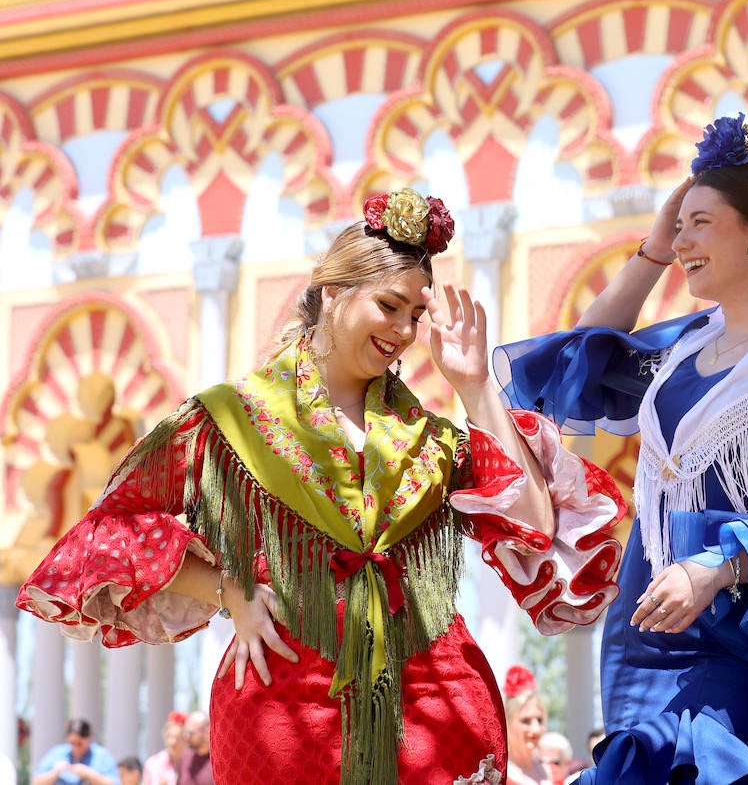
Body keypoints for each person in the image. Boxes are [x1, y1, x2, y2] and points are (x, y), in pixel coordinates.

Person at [16, 189, 625, 785]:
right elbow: (107, 528)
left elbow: (535, 525)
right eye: (389, 306)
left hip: (437, 711)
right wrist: (228, 589)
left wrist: (473, 386)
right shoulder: (228, 422)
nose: (404, 331)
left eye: (415, 316)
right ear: (333, 292)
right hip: (280, 714)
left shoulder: (433, 440)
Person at [496, 113, 748, 783]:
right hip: (645, 618)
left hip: (737, 624)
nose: (683, 242)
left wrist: (717, 566)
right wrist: (652, 249)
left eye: (700, 223)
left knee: (699, 767)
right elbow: (575, 362)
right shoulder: (686, 346)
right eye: (679, 226)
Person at [504, 667, 559, 785]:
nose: (536, 729)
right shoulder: (498, 776)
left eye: (540, 720)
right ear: (508, 722)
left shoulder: (554, 773)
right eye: (526, 721)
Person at [32, 719, 120, 785]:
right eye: (72, 743)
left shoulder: (102, 756)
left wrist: (89, 775)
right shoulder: (57, 753)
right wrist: (55, 773)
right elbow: (36, 782)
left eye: (80, 744)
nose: (76, 748)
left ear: (89, 738)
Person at [141, 713, 185, 785]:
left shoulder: (191, 765)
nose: (173, 742)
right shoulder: (153, 764)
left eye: (178, 738)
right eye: (170, 736)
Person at [173, 712, 211, 785]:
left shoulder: (217, 760)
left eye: (191, 733)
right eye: (185, 732)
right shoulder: (185, 756)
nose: (187, 737)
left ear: (207, 731)